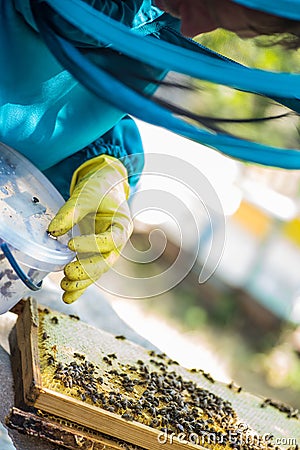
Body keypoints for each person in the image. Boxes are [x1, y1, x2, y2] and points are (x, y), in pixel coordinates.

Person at [2, 0, 300, 304]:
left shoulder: (165, 17)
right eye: (207, 6)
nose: (195, 28)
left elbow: (71, 102)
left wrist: (100, 165)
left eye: (220, 22)